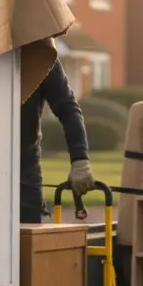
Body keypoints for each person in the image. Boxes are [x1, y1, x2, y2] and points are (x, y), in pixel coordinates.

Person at [19, 58, 94, 224]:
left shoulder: (40, 54)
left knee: (28, 240)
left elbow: (67, 109)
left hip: (23, 175)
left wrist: (80, 160)